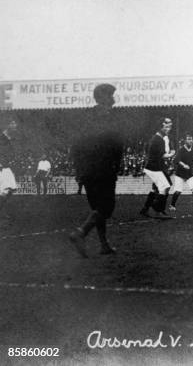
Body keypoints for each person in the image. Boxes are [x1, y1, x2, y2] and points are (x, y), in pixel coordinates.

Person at [69, 84, 123, 257]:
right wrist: (116, 165)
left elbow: (75, 146)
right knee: (106, 208)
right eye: (112, 95)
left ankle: (104, 245)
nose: (114, 98)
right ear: (105, 97)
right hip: (104, 169)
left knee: (96, 208)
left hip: (87, 171)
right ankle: (81, 232)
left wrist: (79, 171)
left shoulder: (84, 117)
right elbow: (116, 145)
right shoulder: (111, 118)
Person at [139, 118, 175, 218]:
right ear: (161, 128)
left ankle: (147, 208)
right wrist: (172, 154)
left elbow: (166, 150)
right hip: (154, 167)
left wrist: (170, 151)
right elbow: (162, 155)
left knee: (162, 187)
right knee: (164, 187)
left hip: (157, 166)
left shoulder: (162, 138)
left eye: (170, 127)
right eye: (166, 127)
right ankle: (158, 210)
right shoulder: (158, 139)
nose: (169, 129)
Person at [169, 134, 193, 213]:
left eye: (191, 139)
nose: (191, 141)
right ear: (185, 141)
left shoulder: (192, 151)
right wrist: (184, 165)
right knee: (178, 191)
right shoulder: (181, 150)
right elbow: (176, 160)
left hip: (189, 173)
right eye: (189, 139)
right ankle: (172, 205)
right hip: (180, 174)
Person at [0, 119, 18, 225]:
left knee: (9, 190)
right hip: (1, 167)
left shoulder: (9, 138)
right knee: (4, 192)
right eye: (13, 123)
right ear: (7, 125)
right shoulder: (1, 138)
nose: (16, 125)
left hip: (6, 167)